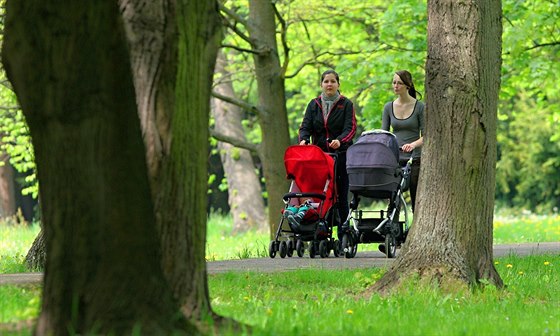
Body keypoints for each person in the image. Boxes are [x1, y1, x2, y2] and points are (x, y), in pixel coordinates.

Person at [298, 69, 357, 238]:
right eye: (326, 81)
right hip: (319, 157)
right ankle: (319, 228)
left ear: (338, 84)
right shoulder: (313, 104)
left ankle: (344, 232)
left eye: (332, 81)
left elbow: (350, 128)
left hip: (340, 156)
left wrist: (340, 140)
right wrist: (303, 140)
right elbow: (305, 126)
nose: (329, 84)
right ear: (321, 84)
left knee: (340, 194)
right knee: (320, 193)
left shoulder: (346, 104)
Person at [381, 70, 425, 213]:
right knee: (393, 198)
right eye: (394, 82)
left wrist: (412, 145)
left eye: (399, 83)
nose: (396, 86)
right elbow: (384, 134)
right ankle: (391, 228)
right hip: (395, 158)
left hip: (415, 158)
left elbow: (427, 136)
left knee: (415, 197)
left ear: (408, 85)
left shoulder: (420, 107)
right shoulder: (388, 107)